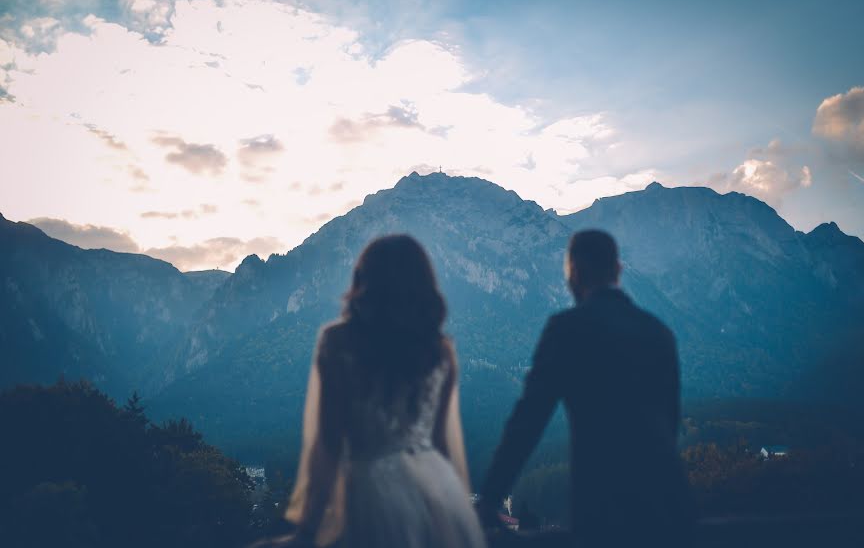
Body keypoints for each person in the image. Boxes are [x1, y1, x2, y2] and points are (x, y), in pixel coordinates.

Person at [478, 230, 694, 547]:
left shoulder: (567, 330)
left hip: (605, 513)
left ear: (574, 272)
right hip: (673, 509)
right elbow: (670, 424)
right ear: (618, 271)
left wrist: (490, 500)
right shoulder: (659, 332)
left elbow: (527, 423)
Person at [278, 235, 487, 548]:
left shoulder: (339, 342)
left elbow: (328, 442)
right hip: (438, 487)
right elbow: (441, 443)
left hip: (371, 490)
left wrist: (307, 529)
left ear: (364, 280)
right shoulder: (439, 350)